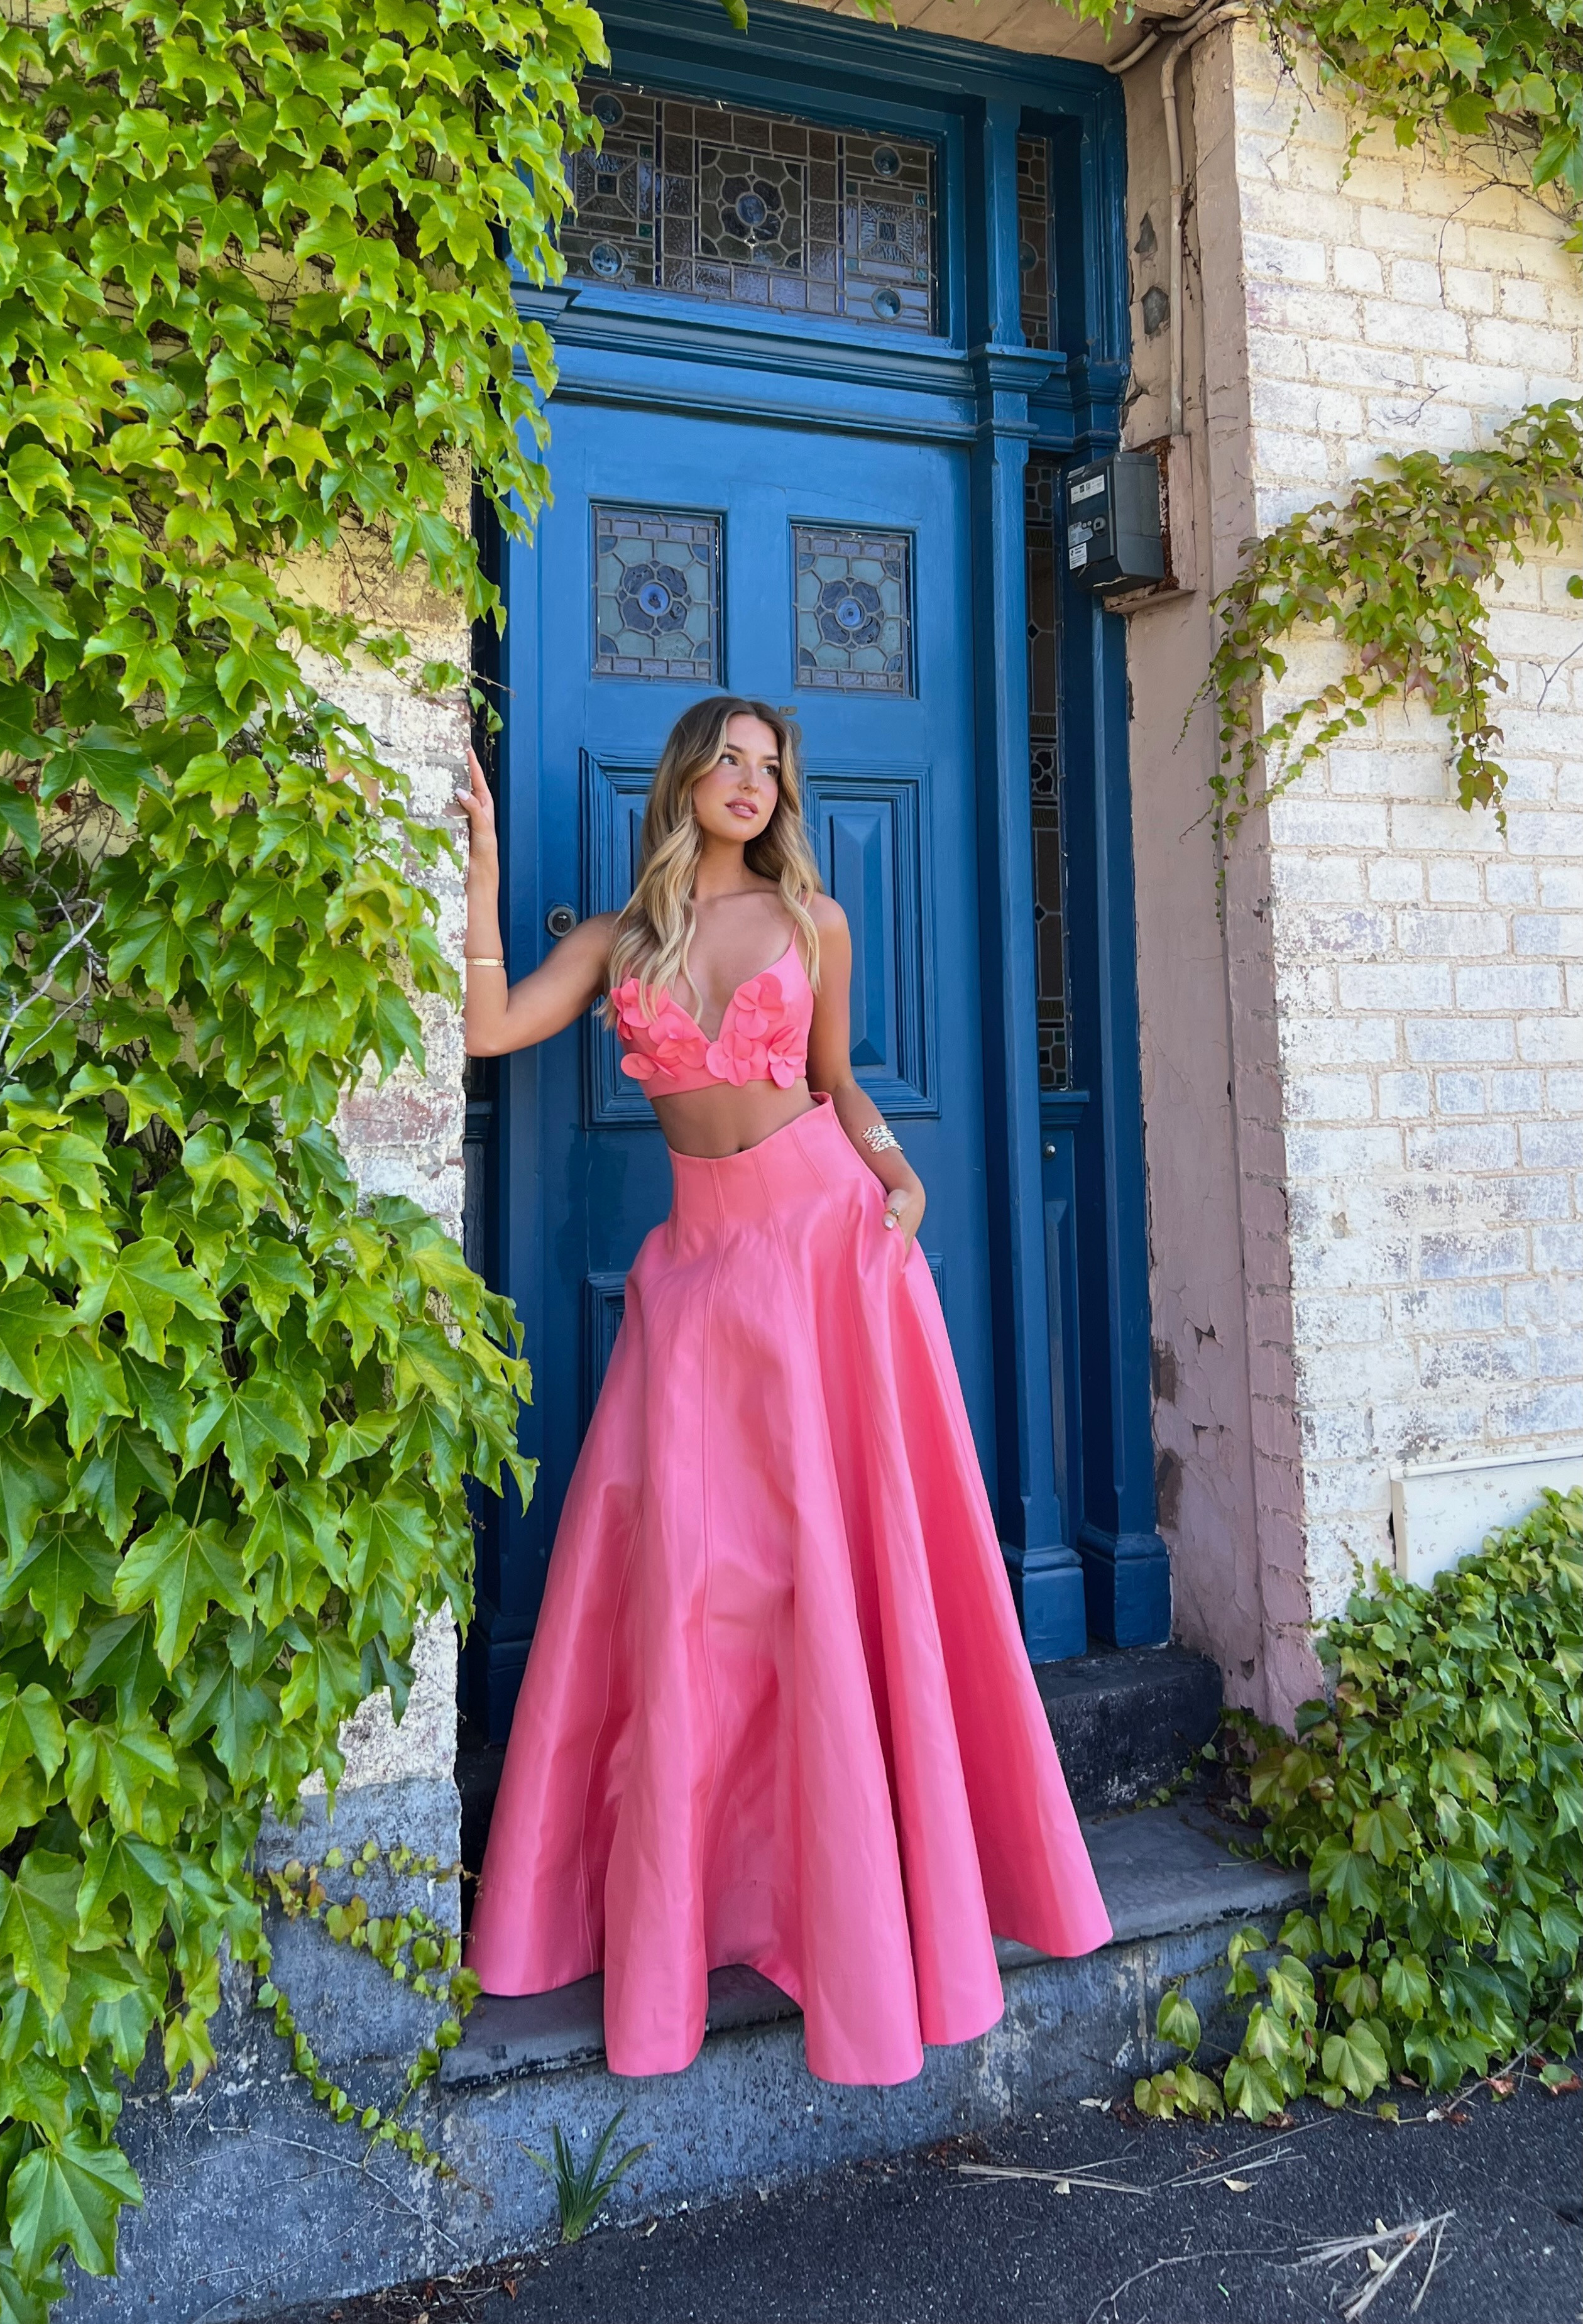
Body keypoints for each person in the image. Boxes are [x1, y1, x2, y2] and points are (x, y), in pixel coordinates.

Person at [459, 694, 1110, 2086]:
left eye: (773, 767)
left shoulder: (815, 923)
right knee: (701, 1591)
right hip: (697, 1275)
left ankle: (867, 1921)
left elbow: (836, 1083)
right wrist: (480, 876)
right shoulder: (617, 942)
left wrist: (896, 1167)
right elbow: (492, 1026)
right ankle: (705, 1904)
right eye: (731, 760)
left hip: (823, 1249)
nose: (753, 783)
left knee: (834, 1571)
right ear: (685, 775)